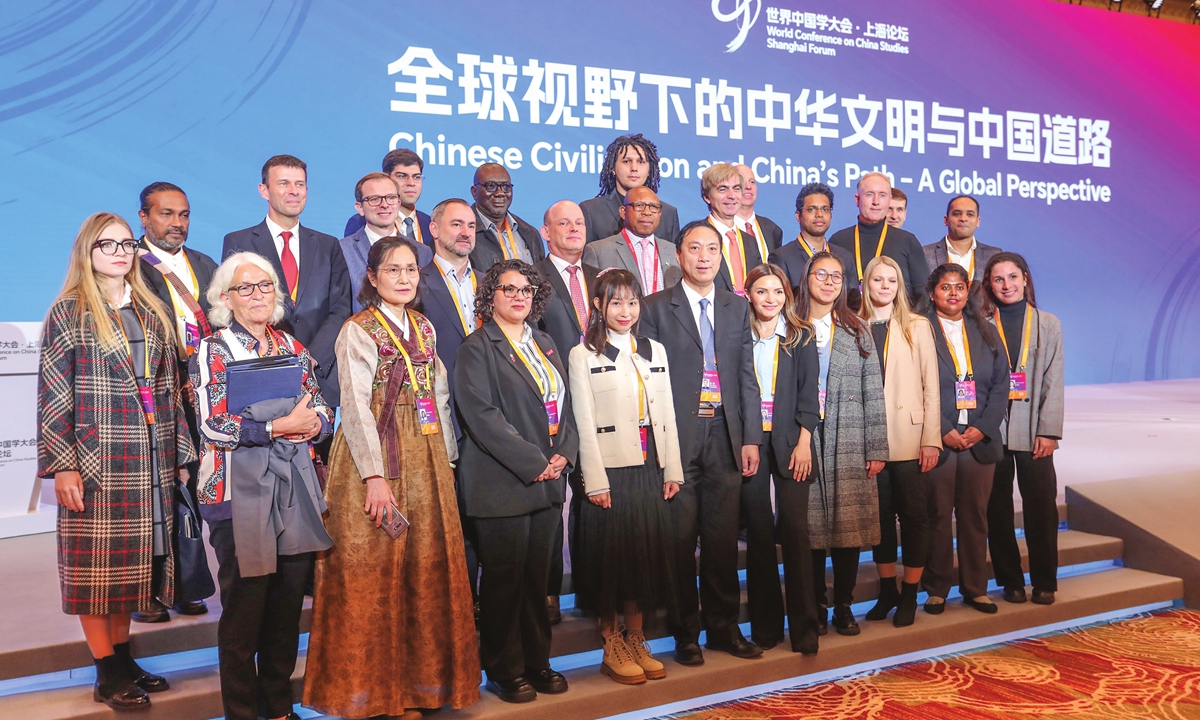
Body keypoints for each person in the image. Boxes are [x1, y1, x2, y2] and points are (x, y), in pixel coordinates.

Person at [303, 237, 480, 718]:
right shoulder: (357, 330)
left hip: (425, 455)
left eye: (410, 270)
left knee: (426, 570)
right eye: (393, 270)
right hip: (375, 457)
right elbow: (356, 408)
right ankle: (376, 695)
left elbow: (438, 394)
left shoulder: (424, 326)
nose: (404, 278)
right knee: (372, 576)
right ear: (373, 277)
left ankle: (422, 687)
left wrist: (446, 458)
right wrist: (374, 476)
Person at [39, 213, 195, 710]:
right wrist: (63, 463)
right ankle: (106, 671)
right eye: (108, 245)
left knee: (134, 568)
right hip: (97, 462)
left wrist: (180, 456)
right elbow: (53, 394)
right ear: (87, 251)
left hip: (150, 456)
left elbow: (169, 391)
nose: (120, 252)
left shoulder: (149, 310)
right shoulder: (69, 310)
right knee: (97, 572)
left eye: (126, 243)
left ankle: (124, 658)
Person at [192, 251, 334, 720]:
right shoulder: (213, 350)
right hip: (235, 496)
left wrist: (315, 423)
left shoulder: (293, 349)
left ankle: (278, 707)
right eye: (245, 288)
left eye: (265, 286)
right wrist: (276, 427)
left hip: (292, 491)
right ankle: (241, 712)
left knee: (287, 611)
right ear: (225, 298)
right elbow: (214, 425)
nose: (257, 295)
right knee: (244, 614)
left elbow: (322, 408)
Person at [454, 260, 578, 703]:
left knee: (536, 580)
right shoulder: (477, 347)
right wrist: (534, 462)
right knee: (504, 582)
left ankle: (537, 661)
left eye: (526, 289)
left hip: (548, 479)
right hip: (502, 481)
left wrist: (567, 450)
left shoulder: (544, 342)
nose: (519, 296)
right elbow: (482, 417)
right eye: (508, 289)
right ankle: (504, 669)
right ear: (490, 297)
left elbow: (565, 405)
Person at [639, 221, 763, 665]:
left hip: (726, 435)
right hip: (677, 436)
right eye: (695, 248)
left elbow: (746, 377)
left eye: (713, 248)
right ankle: (685, 634)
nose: (705, 256)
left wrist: (751, 437)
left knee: (722, 540)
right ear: (679, 256)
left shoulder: (735, 306)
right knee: (678, 540)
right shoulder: (654, 307)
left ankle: (724, 629)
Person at [569, 269, 683, 685]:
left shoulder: (654, 350)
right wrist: (594, 480)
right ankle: (611, 641)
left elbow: (666, 413)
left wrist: (672, 468)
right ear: (598, 305)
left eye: (632, 302)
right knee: (612, 561)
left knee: (643, 557)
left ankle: (637, 637)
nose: (625, 310)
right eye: (615, 302)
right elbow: (583, 423)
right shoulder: (583, 354)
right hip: (610, 473)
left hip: (650, 466)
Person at [133, 181, 218, 622]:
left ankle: (188, 582)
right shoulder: (130, 266)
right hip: (156, 393)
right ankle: (148, 589)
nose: (177, 223)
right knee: (157, 492)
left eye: (183, 214)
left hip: (202, 393)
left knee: (194, 491)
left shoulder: (204, 263)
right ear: (144, 217)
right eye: (166, 214)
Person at [795, 251, 888, 636]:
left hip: (851, 436)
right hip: (804, 438)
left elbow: (874, 392)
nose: (830, 282)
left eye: (837, 276)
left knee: (849, 529)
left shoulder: (857, 329)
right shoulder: (791, 327)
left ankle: (844, 604)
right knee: (812, 528)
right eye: (822, 274)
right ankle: (815, 601)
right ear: (807, 278)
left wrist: (877, 448)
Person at [222, 154, 352, 412]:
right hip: (262, 372)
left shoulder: (328, 245)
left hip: (318, 373)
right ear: (264, 190)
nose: (294, 191)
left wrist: (310, 359)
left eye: (300, 184)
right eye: (283, 183)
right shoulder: (239, 242)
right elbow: (234, 307)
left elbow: (340, 308)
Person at [741, 264, 822, 655]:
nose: (770, 299)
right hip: (752, 442)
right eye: (761, 291)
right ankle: (766, 628)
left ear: (786, 296)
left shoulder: (801, 335)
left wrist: (806, 441)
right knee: (758, 533)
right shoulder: (736, 335)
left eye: (776, 291)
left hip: (793, 442)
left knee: (794, 530)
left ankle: (805, 629)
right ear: (749, 295)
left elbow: (811, 394)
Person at [921, 263, 1009, 616]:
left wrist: (983, 427)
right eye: (946, 287)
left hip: (979, 440)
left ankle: (975, 588)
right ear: (932, 293)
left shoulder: (986, 331)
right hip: (938, 438)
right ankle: (937, 589)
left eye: (959, 286)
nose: (953, 293)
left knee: (975, 516)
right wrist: (942, 428)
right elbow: (916, 385)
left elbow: (1001, 385)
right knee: (938, 516)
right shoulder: (920, 330)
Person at [857, 256, 941, 627]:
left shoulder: (917, 326)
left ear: (900, 286)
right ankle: (887, 588)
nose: (885, 286)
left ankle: (910, 592)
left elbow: (932, 387)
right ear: (866, 284)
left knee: (913, 518)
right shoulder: (852, 324)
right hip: (869, 440)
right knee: (879, 521)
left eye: (892, 280)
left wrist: (931, 439)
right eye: (878, 279)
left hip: (910, 436)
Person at [983, 252, 1064, 606]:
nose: (1006, 286)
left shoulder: (1048, 323)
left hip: (1034, 431)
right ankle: (1010, 580)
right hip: (993, 430)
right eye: (998, 279)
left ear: (1026, 279)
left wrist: (1049, 432)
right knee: (996, 508)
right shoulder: (981, 322)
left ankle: (1045, 580)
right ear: (989, 284)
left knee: (1041, 508)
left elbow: (1053, 380)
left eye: (1012, 277)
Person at [534, 200, 599, 625]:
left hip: (601, 397)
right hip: (553, 400)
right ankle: (549, 593)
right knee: (554, 498)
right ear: (546, 230)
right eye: (563, 223)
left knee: (594, 495)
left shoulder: (600, 277)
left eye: (578, 222)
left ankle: (593, 589)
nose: (573, 229)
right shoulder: (532, 279)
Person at [417, 198, 482, 608]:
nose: (465, 232)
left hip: (490, 416)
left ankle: (478, 602)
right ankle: (451, 606)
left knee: (481, 517)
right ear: (434, 231)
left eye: (472, 226)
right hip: (442, 416)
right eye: (456, 224)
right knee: (447, 519)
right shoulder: (415, 282)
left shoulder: (494, 282)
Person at [341, 172, 433, 313]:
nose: (384, 205)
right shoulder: (341, 250)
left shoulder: (422, 252)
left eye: (391, 198)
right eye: (374, 199)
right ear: (359, 207)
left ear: (398, 203)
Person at [830, 172, 929, 303]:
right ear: (857, 199)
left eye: (882, 195)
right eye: (869, 194)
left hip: (898, 322)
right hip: (849, 321)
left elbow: (924, 295)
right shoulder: (838, 241)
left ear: (889, 199)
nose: (876, 202)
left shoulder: (907, 241)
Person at [580, 133, 681, 245]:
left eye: (641, 162)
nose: (634, 168)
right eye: (626, 161)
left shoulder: (668, 213)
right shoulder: (592, 211)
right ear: (612, 168)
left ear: (649, 169)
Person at [582, 186, 682, 294]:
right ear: (623, 212)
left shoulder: (674, 251)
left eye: (653, 207)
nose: (647, 212)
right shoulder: (598, 251)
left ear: (660, 213)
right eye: (639, 206)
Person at [768, 182, 855, 290]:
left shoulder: (845, 257)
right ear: (799, 216)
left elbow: (852, 304)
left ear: (830, 215)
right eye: (811, 209)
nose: (819, 214)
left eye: (825, 209)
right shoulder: (782, 257)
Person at [701, 163, 765, 298]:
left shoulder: (749, 241)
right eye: (723, 189)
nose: (731, 196)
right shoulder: (697, 236)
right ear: (707, 197)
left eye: (736, 189)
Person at [343, 148, 431, 246]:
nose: (411, 183)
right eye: (402, 176)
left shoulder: (429, 223)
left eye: (416, 177)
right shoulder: (360, 222)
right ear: (386, 178)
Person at [470, 163, 546, 268]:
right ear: (474, 192)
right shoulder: (464, 233)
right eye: (491, 186)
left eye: (506, 186)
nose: (500, 193)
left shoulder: (530, 233)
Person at [922, 195, 1001, 291]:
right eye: (956, 214)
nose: (963, 218)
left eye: (970, 214)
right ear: (946, 220)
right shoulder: (925, 253)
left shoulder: (994, 255)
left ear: (977, 221)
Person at [734, 164, 784, 254]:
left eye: (752, 182)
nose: (748, 186)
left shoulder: (773, 229)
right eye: (741, 181)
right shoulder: (720, 228)